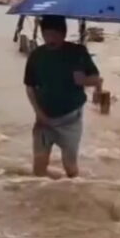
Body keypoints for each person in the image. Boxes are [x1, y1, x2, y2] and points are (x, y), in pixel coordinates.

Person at [24, 15, 102, 178]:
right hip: (43, 120)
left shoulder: (77, 52)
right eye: (47, 35)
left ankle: (75, 192)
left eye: (55, 35)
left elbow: (96, 79)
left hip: (70, 120)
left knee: (70, 167)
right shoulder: (37, 55)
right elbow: (30, 87)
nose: (51, 39)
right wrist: (39, 113)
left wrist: (84, 80)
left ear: (64, 34)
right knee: (39, 169)